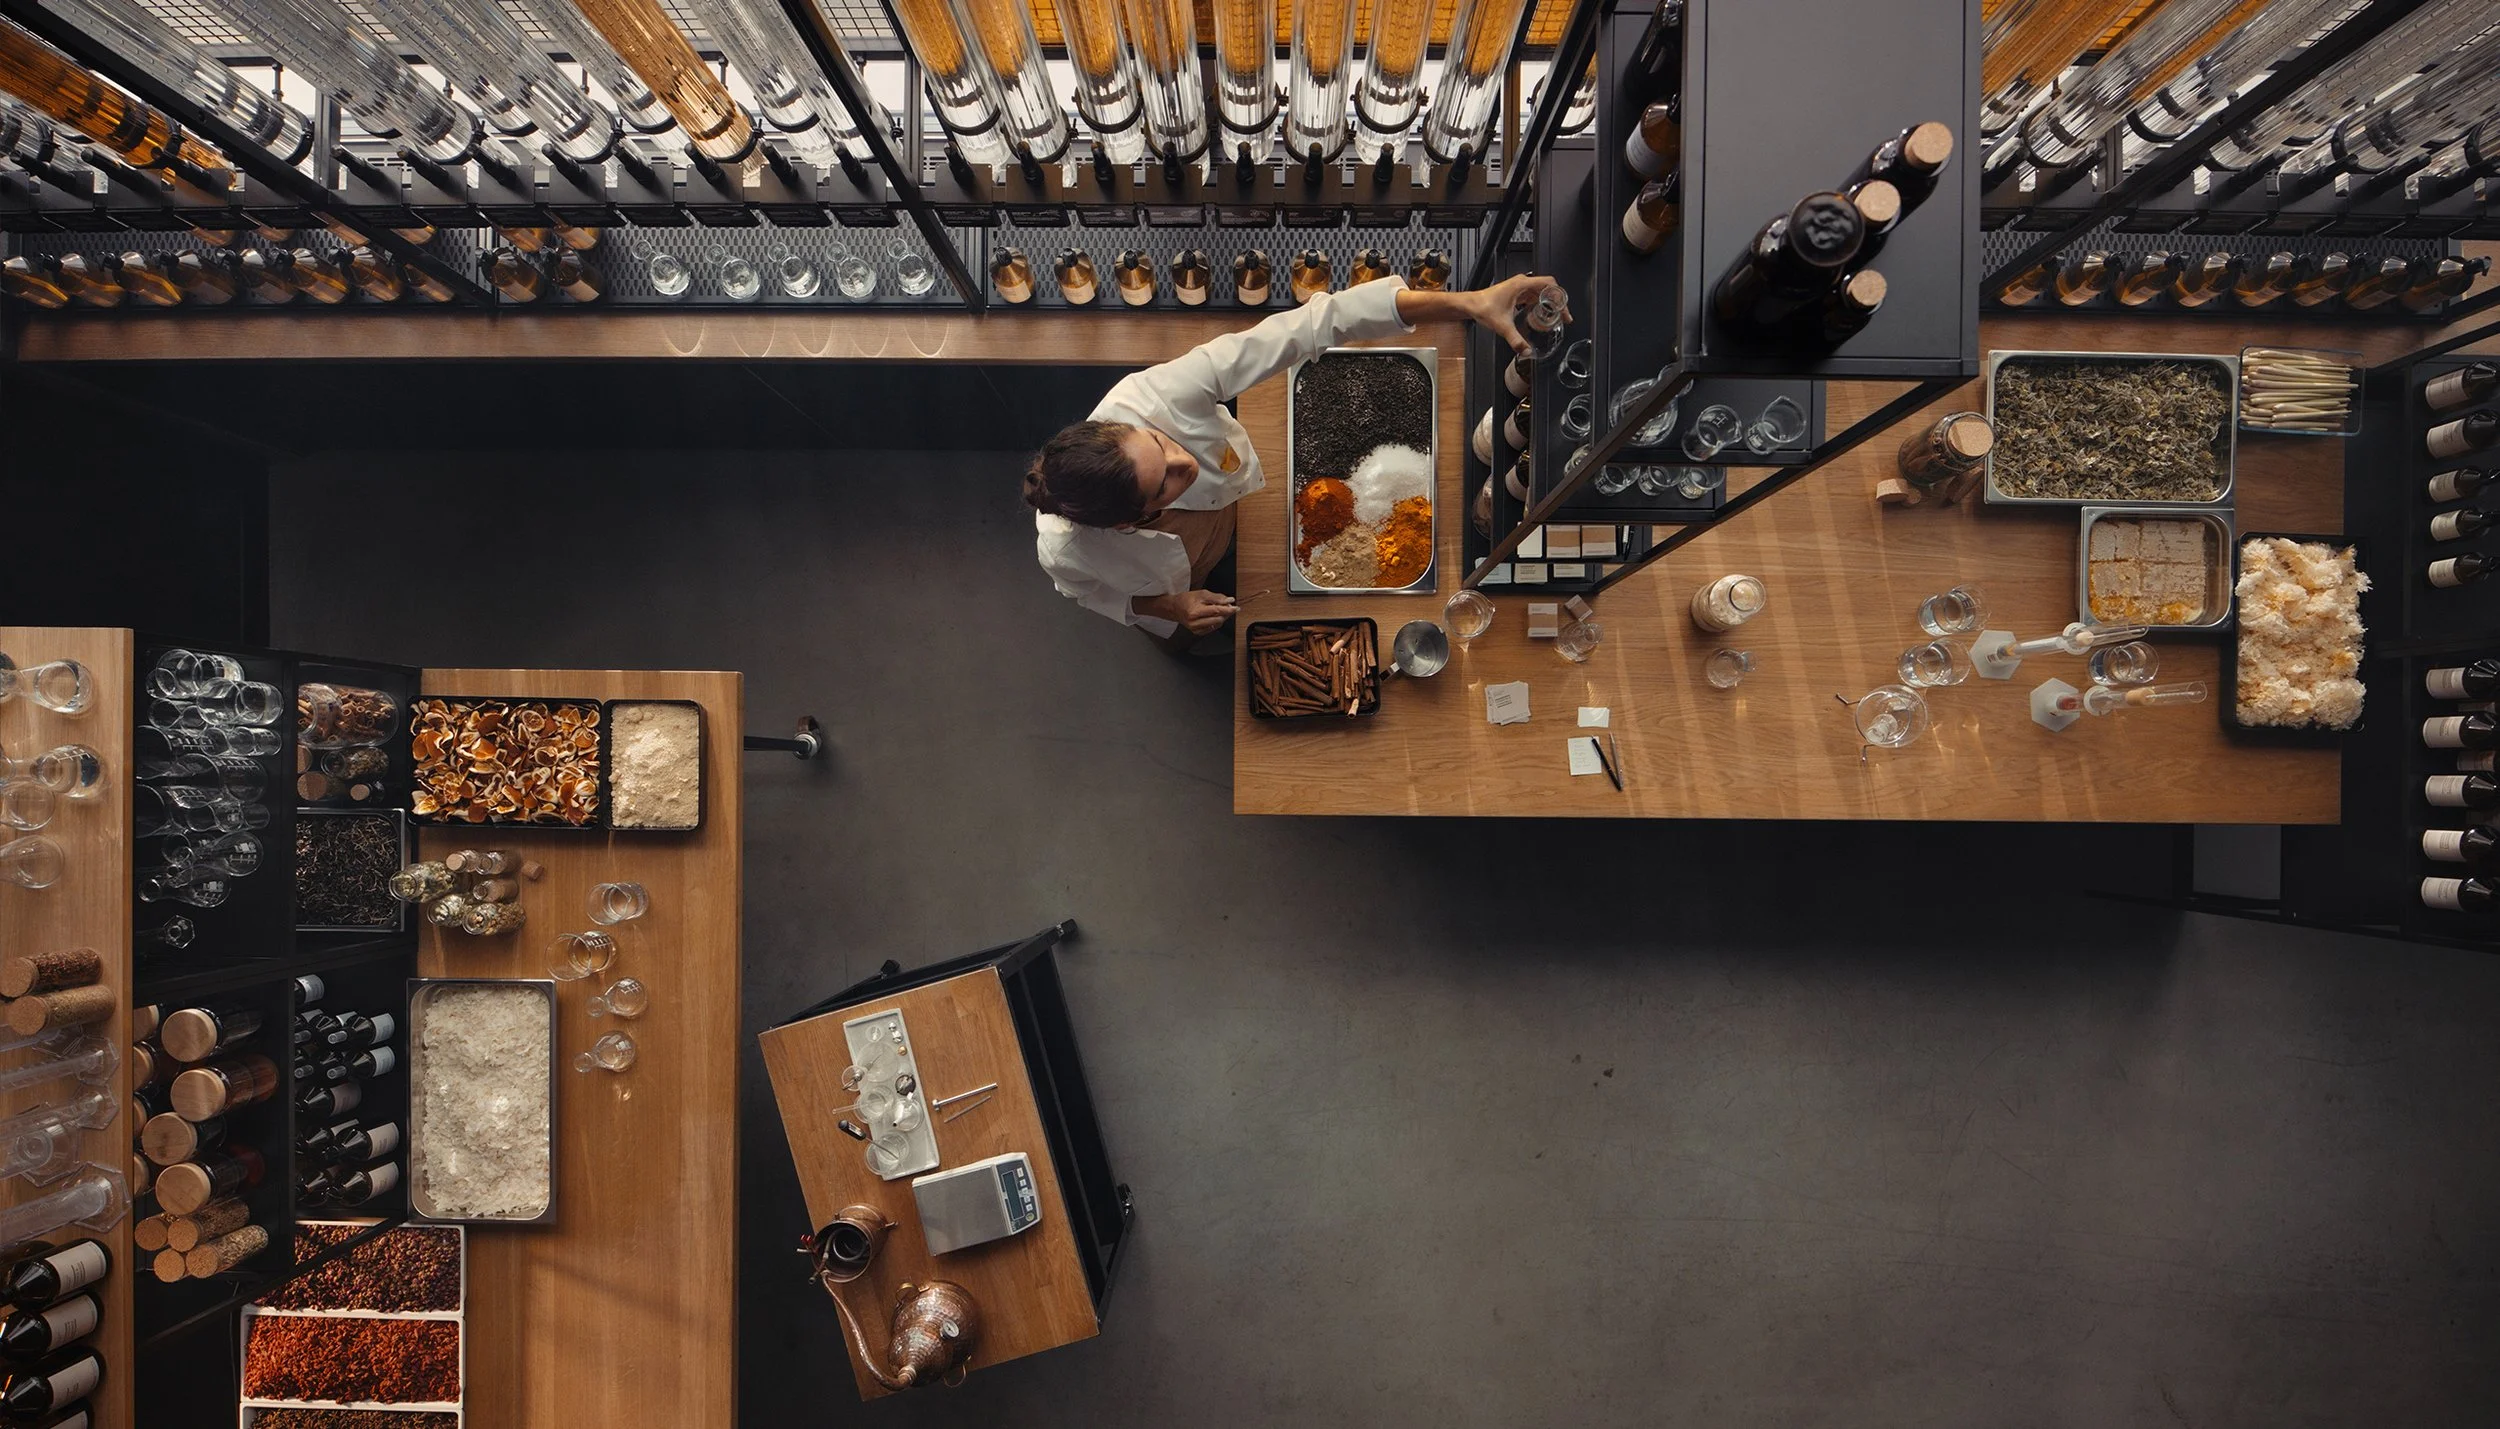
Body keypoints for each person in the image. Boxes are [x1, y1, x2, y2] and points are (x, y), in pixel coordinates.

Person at [1023, 271, 1564, 652]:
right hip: (1169, 584)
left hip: (1230, 518)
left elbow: (1310, 325)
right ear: (1128, 521)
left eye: (1158, 442)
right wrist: (1172, 609)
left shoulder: (1155, 395)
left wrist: (1467, 303)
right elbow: (1090, 593)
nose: (1182, 460)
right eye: (1164, 484)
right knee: (1194, 643)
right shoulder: (1067, 550)